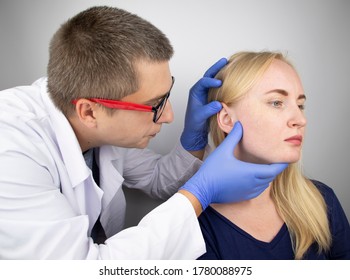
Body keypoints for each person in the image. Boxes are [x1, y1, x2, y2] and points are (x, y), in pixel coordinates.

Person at [0, 7, 287, 259]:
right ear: (89, 111)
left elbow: (157, 180)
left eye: (166, 95)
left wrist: (194, 139)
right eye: (154, 104)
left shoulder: (101, 128)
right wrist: (201, 193)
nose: (170, 115)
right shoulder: (11, 148)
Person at [197, 51, 350, 260]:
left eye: (300, 105)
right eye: (277, 102)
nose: (300, 119)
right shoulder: (195, 229)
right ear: (226, 119)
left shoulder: (322, 201)